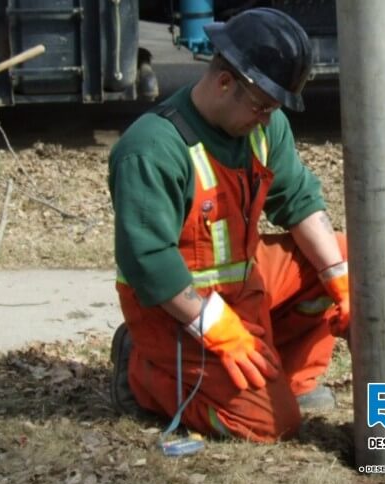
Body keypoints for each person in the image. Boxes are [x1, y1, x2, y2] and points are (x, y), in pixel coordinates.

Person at [107, 8, 350, 443]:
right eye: (261, 106)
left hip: (243, 288)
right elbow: (148, 261)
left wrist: (340, 279)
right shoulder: (151, 148)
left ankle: (286, 381)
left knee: (345, 256)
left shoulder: (264, 126)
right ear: (224, 83)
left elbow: (297, 201)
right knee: (270, 425)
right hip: (174, 311)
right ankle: (141, 373)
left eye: (274, 108)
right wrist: (212, 326)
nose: (268, 118)